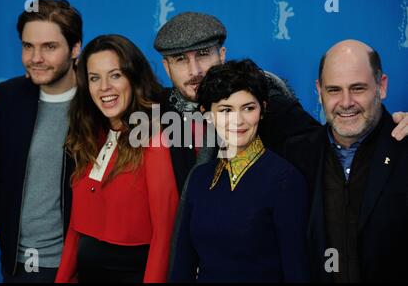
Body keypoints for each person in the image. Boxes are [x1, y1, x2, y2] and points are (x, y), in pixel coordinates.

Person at [154, 12, 408, 195]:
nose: (195, 70)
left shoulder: (270, 102)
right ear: (166, 67)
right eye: (180, 60)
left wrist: (388, 128)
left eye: (202, 55)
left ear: (222, 54)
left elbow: (331, 145)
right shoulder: (160, 108)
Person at [0, 0, 82, 283]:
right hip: (18, 265)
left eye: (49, 47)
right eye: (28, 46)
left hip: (79, 265)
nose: (35, 58)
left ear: (75, 48)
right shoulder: (7, 97)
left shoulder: (97, 102)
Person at [169, 59, 310, 282]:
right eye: (226, 110)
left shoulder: (285, 180)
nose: (238, 120)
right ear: (207, 114)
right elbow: (182, 265)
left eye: (248, 108)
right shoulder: (199, 178)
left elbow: (296, 270)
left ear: (263, 110)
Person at [55, 35, 179, 283]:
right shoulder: (88, 137)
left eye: (115, 75)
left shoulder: (153, 139)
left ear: (133, 79)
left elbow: (164, 237)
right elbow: (75, 228)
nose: (104, 88)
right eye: (94, 78)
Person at [283, 40, 408, 282]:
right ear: (319, 92)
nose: (346, 102)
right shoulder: (295, 155)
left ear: (381, 86)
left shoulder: (404, 148)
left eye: (358, 88)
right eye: (334, 90)